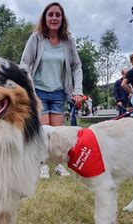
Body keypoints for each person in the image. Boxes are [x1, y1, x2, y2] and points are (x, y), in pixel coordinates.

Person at [20, 2, 83, 179]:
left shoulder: (68, 41)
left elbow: (77, 65)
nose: (54, 18)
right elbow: (24, 63)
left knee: (58, 131)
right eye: (51, 15)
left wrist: (77, 90)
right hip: (38, 90)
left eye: (58, 15)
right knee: (42, 130)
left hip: (58, 92)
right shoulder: (36, 38)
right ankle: (42, 165)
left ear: (62, 19)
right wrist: (29, 88)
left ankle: (59, 165)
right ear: (45, 18)